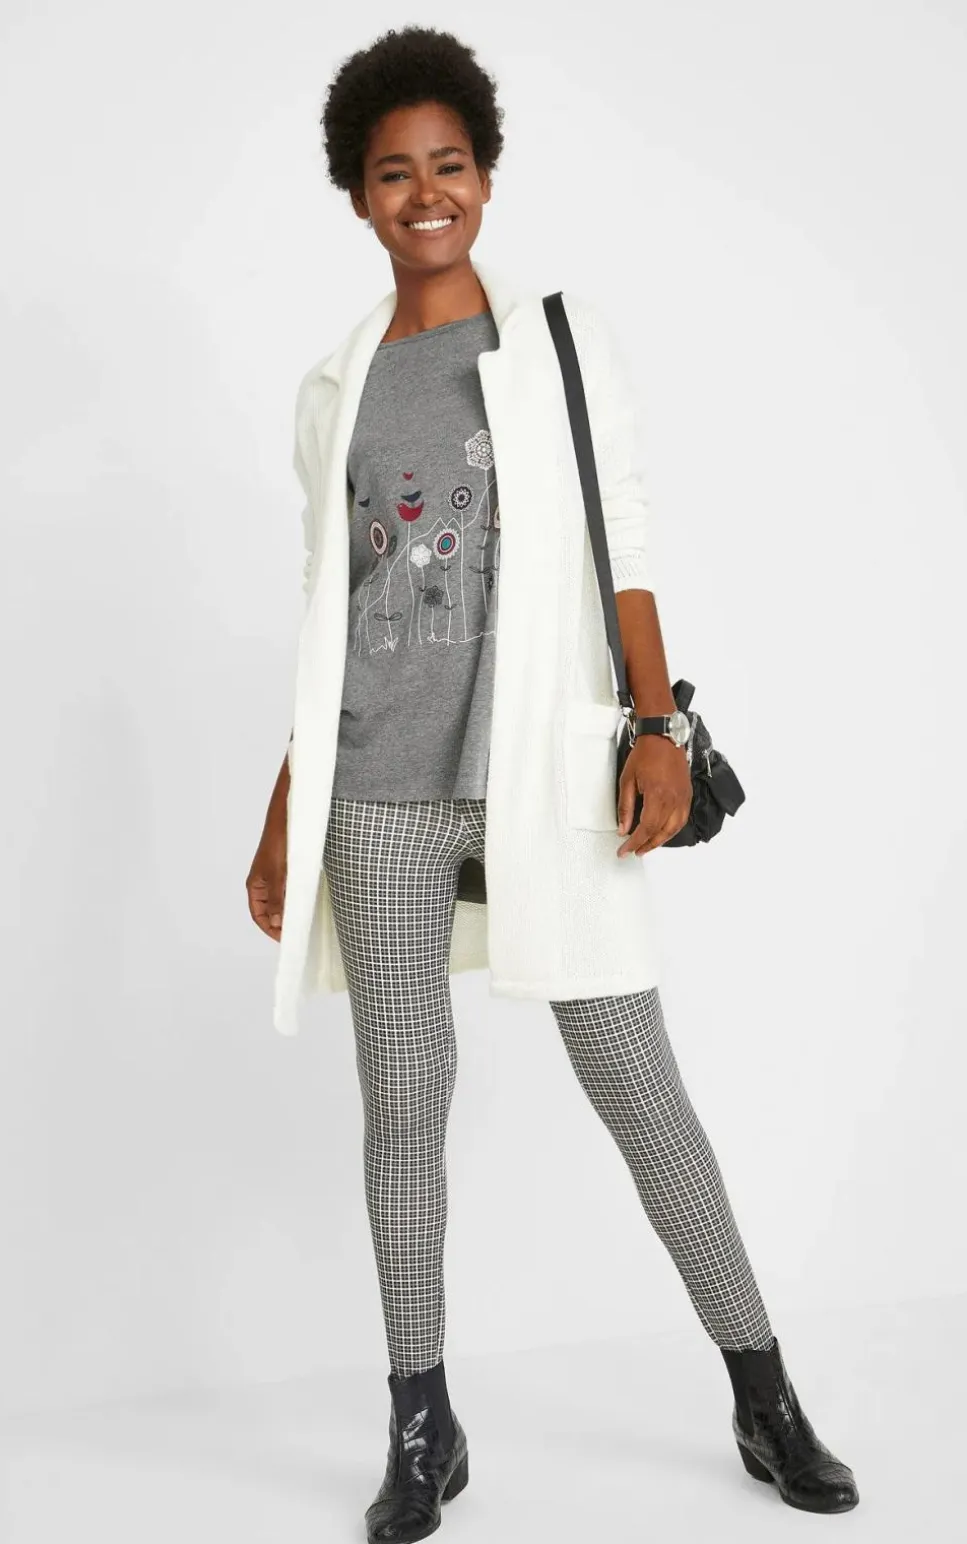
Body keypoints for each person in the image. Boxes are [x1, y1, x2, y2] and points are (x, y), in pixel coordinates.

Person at [247, 24, 859, 1541]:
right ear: (356, 197)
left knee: (638, 1088)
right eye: (394, 173)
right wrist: (282, 810)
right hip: (377, 791)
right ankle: (421, 1422)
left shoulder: (557, 350)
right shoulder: (332, 391)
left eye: (449, 164)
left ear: (487, 175)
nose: (426, 193)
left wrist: (656, 726)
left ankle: (763, 1391)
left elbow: (623, 553)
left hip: (534, 773)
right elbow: (329, 605)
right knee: (401, 1109)